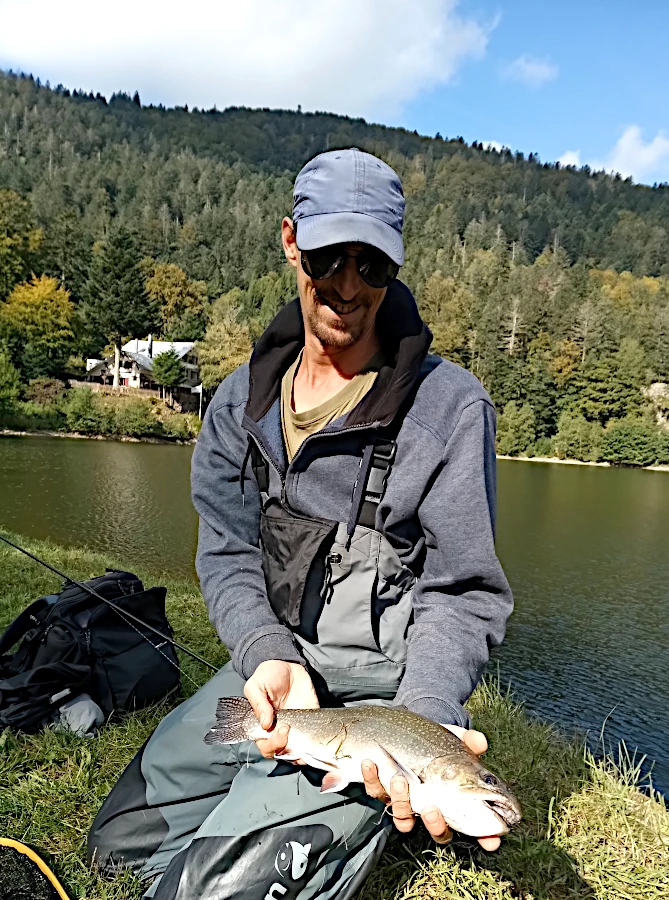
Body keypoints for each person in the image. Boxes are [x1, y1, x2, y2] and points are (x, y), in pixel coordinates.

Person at [88, 148, 513, 900]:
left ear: (395, 265)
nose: (347, 285)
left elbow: (462, 593)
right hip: (277, 679)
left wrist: (424, 721)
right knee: (117, 846)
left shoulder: (450, 410)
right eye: (327, 258)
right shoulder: (237, 403)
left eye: (371, 265)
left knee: (209, 892)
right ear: (291, 242)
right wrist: (262, 651)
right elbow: (226, 552)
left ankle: (345, 821)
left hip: (383, 701)